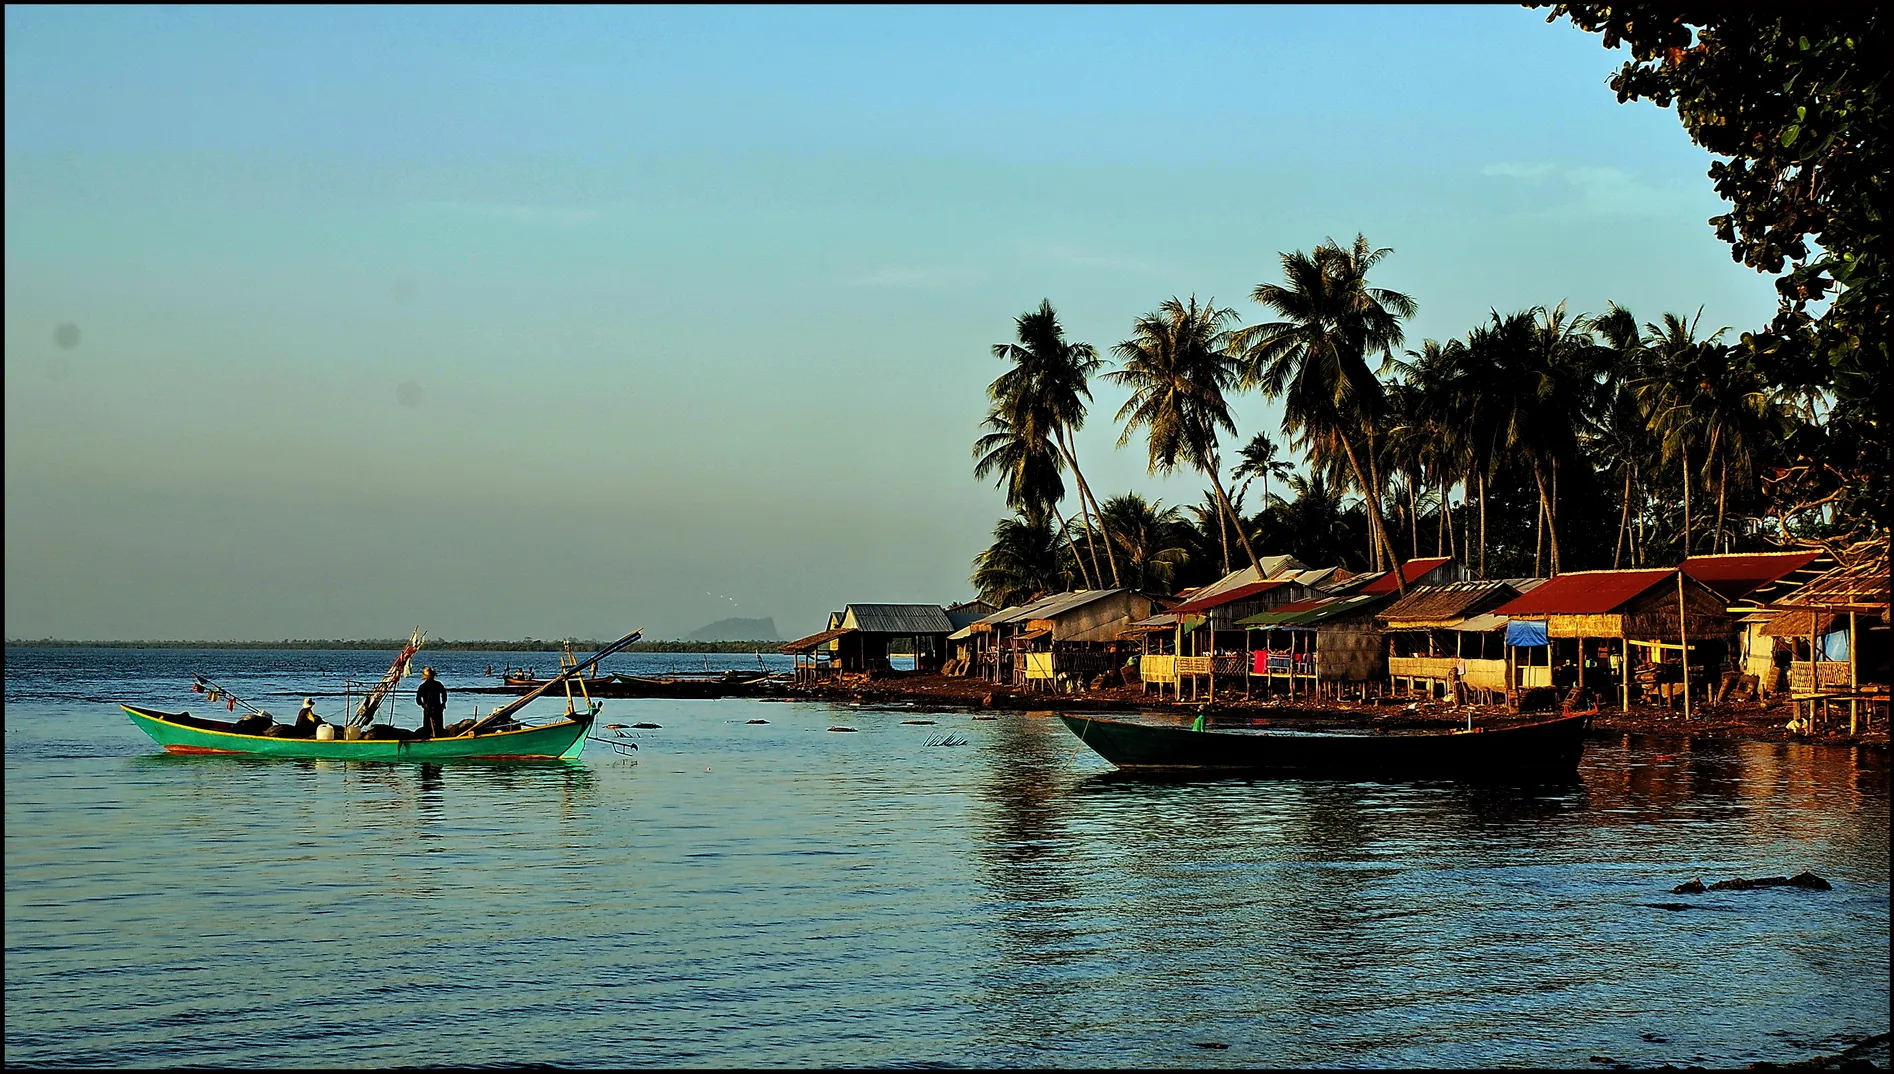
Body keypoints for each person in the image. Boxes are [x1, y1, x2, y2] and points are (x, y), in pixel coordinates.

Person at [416, 667, 448, 738]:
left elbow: (444, 694)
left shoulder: (435, 685)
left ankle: (435, 737)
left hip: (436, 708)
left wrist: (443, 703)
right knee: (430, 727)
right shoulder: (424, 687)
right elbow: (418, 700)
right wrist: (423, 705)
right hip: (431, 709)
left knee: (436, 727)